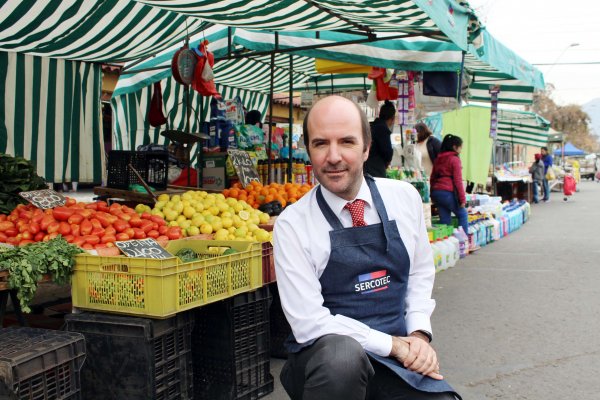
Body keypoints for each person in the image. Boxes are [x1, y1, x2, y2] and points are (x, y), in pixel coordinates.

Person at [273, 96, 460, 400]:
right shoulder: (293, 224)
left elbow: (420, 273)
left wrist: (418, 336)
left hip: (396, 357)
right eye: (321, 144)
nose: (333, 156)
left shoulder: (404, 198)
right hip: (327, 365)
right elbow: (309, 323)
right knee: (342, 357)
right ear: (308, 150)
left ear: (367, 147)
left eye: (347, 142)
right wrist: (393, 344)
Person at [429, 134, 468, 235]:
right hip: (448, 192)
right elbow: (458, 181)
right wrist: (462, 200)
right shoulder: (454, 159)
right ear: (455, 147)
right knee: (462, 214)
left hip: (437, 193)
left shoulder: (438, 159)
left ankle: (448, 243)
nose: (461, 150)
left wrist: (432, 194)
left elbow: (432, 178)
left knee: (445, 221)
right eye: (460, 147)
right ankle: (463, 242)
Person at [364, 101, 395, 178]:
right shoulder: (382, 129)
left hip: (365, 167)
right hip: (375, 170)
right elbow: (387, 153)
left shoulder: (371, 125)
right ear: (392, 118)